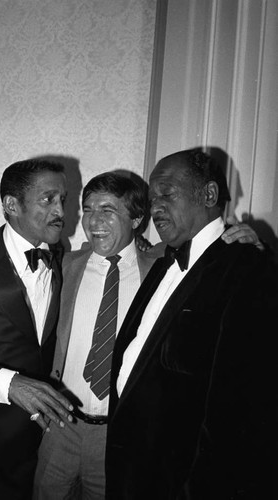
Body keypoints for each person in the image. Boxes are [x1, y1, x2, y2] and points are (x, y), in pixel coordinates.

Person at [33, 171, 261, 500]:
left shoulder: (162, 268)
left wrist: (249, 243)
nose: (93, 221)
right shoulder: (64, 265)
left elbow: (211, 265)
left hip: (121, 433)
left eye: (108, 210)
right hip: (61, 428)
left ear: (138, 218)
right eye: (88, 209)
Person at [105, 149, 277, 500]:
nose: (154, 208)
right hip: (131, 472)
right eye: (152, 198)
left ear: (209, 195)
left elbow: (240, 411)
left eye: (167, 193)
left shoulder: (248, 268)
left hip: (180, 483)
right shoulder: (161, 264)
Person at [0, 159, 74, 500]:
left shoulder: (67, 261)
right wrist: (9, 383)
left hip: (35, 446)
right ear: (11, 204)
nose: (61, 210)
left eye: (63, 199)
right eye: (48, 199)